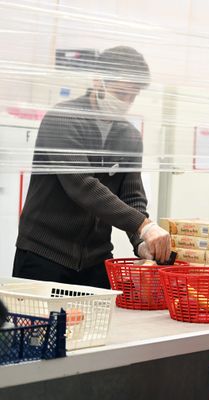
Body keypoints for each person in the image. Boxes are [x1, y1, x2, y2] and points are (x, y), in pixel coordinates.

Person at [13, 46, 170, 289]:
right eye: (120, 93)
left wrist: (140, 242)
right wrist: (144, 226)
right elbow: (83, 187)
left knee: (97, 326)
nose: (125, 102)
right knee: (41, 326)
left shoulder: (128, 136)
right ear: (98, 80)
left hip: (96, 261)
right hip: (45, 255)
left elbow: (132, 197)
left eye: (132, 96)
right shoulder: (63, 119)